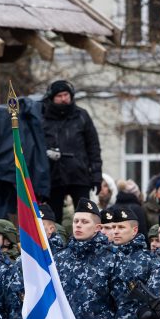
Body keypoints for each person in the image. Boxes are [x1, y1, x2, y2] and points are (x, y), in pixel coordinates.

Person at [41, 80, 103, 222]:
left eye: (66, 95)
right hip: (53, 176)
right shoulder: (42, 118)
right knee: (53, 219)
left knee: (85, 216)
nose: (63, 99)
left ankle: (86, 243)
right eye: (59, 96)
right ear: (51, 98)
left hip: (79, 175)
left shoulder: (82, 116)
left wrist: (96, 176)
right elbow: (35, 147)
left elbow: (93, 147)